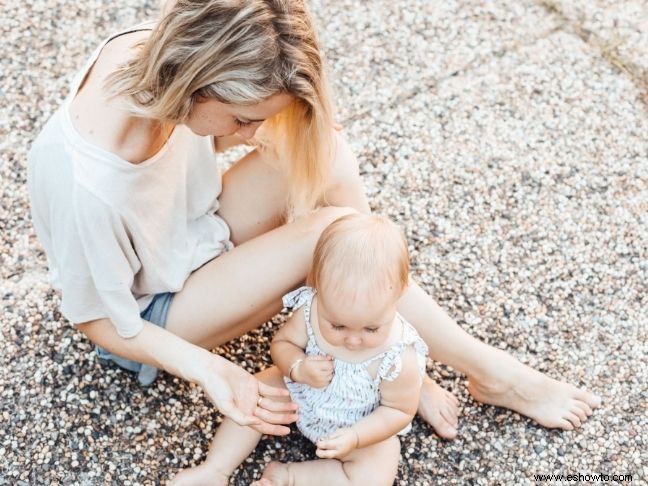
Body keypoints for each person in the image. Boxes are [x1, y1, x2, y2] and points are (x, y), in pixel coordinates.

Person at [27, 0, 600, 457]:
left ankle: (385, 348)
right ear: (195, 86)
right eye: (244, 119)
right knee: (333, 232)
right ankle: (485, 371)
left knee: (325, 149)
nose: (251, 135)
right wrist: (214, 371)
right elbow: (97, 320)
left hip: (193, 234)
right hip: (153, 314)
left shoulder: (158, 51)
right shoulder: (86, 181)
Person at [172, 214, 429, 486]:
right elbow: (283, 344)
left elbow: (398, 412)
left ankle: (290, 477)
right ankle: (215, 469)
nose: (353, 341)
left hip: (359, 425)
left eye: (371, 329)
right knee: (257, 388)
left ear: (399, 294)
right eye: (338, 326)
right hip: (299, 396)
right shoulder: (311, 310)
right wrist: (296, 367)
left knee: (377, 469)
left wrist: (355, 436)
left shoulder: (398, 358)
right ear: (317, 287)